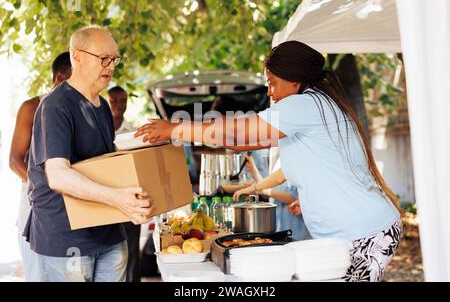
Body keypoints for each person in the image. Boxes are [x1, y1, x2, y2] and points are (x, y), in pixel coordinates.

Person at [135, 41, 403, 282]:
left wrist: (176, 129)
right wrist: (302, 197)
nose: (270, 92)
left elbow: (237, 135)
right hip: (357, 231)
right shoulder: (319, 104)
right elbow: (307, 165)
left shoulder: (302, 106)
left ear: (294, 80)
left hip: (363, 234)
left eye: (273, 82)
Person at [23, 26, 154, 282]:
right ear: (77, 57)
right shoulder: (55, 106)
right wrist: (118, 198)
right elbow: (59, 176)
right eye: (103, 58)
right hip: (66, 240)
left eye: (114, 59)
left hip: (109, 234)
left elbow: (105, 163)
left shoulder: (102, 106)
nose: (110, 65)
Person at [9, 51, 72, 281]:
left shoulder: (80, 111)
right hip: (36, 213)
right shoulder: (32, 107)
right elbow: (14, 161)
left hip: (69, 214)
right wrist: (49, 187)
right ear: (58, 79)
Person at [106, 85, 141, 283]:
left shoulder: (133, 133)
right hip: (106, 198)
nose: (119, 105)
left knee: (132, 250)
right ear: (107, 102)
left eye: (123, 101)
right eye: (114, 101)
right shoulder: (99, 129)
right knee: (111, 253)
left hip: (131, 197)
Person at [238, 153, 311, 241]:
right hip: (281, 227)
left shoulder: (297, 154)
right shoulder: (277, 154)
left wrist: (259, 188)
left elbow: (294, 197)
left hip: (296, 230)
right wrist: (254, 172)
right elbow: (274, 187)